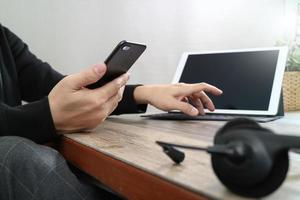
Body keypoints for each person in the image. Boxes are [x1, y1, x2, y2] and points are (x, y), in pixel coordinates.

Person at [0, 24, 222, 200]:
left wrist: (145, 92)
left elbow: (51, 84)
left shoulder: (3, 37)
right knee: (18, 157)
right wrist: (47, 117)